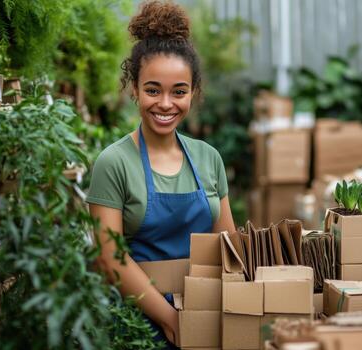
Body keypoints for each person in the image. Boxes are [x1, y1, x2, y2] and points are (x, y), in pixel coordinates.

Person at [86, 1, 236, 348]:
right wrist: (170, 319)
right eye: (153, 90)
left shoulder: (208, 158)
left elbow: (230, 247)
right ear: (134, 89)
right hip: (137, 323)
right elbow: (110, 260)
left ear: (193, 93)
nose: (165, 104)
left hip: (204, 315)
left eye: (178, 92)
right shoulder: (114, 163)